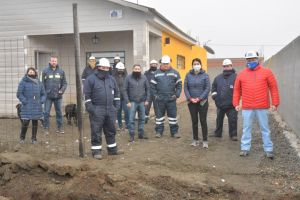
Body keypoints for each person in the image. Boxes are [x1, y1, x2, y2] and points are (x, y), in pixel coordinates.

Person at [233, 50, 280, 159]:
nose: (251, 61)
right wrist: (236, 103)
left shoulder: (267, 72)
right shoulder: (241, 74)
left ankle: (268, 149)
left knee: (265, 128)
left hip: (262, 106)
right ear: (246, 61)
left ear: (257, 59)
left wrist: (275, 103)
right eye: (249, 60)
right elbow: (236, 90)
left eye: (253, 59)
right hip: (247, 107)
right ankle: (245, 148)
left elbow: (274, 88)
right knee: (246, 128)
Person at [84, 58, 123, 159]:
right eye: (103, 67)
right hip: (97, 109)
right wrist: (92, 109)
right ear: (98, 67)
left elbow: (117, 93)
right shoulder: (90, 79)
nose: (105, 69)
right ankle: (96, 151)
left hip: (110, 109)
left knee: (111, 130)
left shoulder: (111, 79)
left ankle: (112, 150)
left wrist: (116, 106)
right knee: (96, 131)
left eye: (107, 68)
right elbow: (86, 96)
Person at [150, 55, 182, 138]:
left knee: (172, 117)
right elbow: (152, 86)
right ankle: (159, 132)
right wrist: (155, 96)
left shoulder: (175, 73)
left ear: (169, 63)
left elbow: (179, 84)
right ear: (161, 64)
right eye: (164, 64)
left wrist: (177, 95)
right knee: (159, 117)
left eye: (167, 64)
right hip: (159, 99)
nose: (165, 65)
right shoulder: (156, 73)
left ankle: (174, 132)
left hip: (171, 98)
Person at [184, 58, 210, 148]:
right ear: (192, 65)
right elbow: (186, 88)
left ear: (201, 65)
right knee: (194, 121)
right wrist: (190, 98)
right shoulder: (188, 75)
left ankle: (205, 140)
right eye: (194, 64)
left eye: (198, 63)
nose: (196, 65)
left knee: (203, 121)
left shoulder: (205, 75)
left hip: (202, 102)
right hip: (191, 102)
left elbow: (207, 88)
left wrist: (200, 98)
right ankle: (195, 139)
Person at [17, 67, 46, 144]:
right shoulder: (23, 82)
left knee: (35, 122)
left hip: (37, 106)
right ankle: (22, 138)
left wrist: (41, 101)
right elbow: (19, 94)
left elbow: (43, 94)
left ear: (35, 73)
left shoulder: (39, 82)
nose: (31, 73)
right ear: (27, 73)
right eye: (29, 72)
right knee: (25, 122)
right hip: (27, 106)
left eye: (32, 72)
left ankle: (34, 139)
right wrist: (24, 101)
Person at [211, 59, 238, 141]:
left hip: (232, 105)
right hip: (220, 103)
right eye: (225, 66)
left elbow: (240, 89)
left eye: (228, 66)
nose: (226, 67)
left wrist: (237, 100)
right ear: (223, 67)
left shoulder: (237, 77)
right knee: (219, 119)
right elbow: (213, 88)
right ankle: (218, 133)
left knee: (233, 120)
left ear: (231, 66)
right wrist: (215, 96)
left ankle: (233, 135)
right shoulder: (218, 78)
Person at [124, 64, 150, 142]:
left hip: (142, 102)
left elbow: (148, 89)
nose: (137, 70)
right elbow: (124, 90)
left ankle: (140, 134)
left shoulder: (144, 77)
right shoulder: (128, 77)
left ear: (140, 70)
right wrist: (127, 101)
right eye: (135, 69)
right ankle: (131, 135)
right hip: (132, 102)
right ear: (133, 69)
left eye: (138, 69)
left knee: (142, 119)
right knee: (131, 119)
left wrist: (147, 100)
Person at [42, 56, 67, 134]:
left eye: (55, 61)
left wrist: (61, 90)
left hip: (58, 96)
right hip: (48, 96)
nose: (54, 62)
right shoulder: (45, 71)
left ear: (57, 62)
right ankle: (46, 127)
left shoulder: (61, 71)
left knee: (59, 112)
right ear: (50, 61)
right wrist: (44, 93)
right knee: (46, 112)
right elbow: (42, 83)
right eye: (52, 61)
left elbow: (65, 83)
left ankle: (59, 128)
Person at [113, 62, 129, 130]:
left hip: (125, 97)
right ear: (117, 69)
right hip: (117, 97)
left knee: (127, 111)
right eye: (119, 69)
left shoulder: (127, 77)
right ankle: (119, 125)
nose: (120, 71)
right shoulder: (113, 77)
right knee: (118, 111)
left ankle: (127, 125)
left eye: (122, 69)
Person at [144, 59, 158, 124]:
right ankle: (145, 118)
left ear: (157, 65)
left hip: (156, 93)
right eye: (152, 64)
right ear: (150, 65)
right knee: (146, 107)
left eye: (155, 64)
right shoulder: (146, 73)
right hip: (148, 93)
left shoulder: (159, 73)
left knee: (157, 107)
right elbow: (144, 82)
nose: (154, 65)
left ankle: (157, 119)